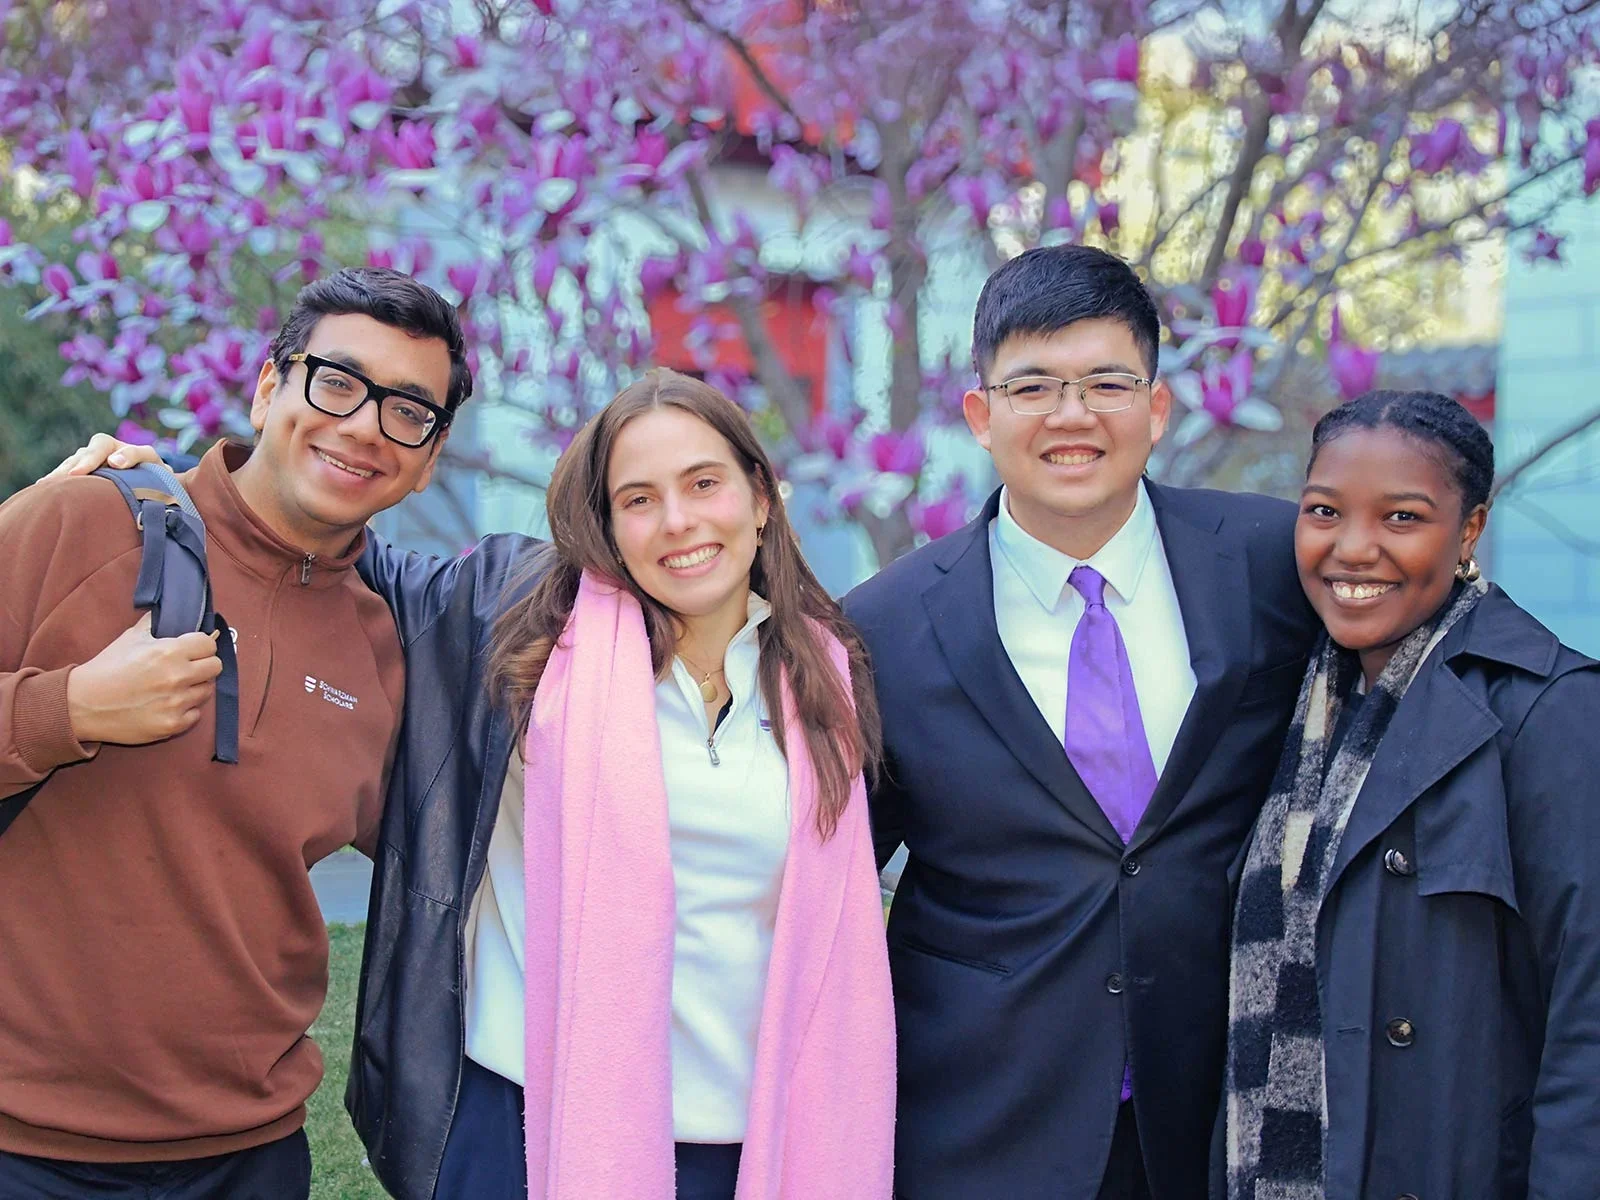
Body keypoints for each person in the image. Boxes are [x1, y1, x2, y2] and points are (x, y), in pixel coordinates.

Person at [94, 369, 896, 1197]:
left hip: (762, 1141)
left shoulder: (829, 678)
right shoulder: (519, 629)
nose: (680, 521)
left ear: (761, 497)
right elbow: (311, 543)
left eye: (703, 484)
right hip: (523, 1124)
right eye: (640, 499)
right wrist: (164, 486)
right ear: (609, 527)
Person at [843, 244, 1320, 1200]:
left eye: (1107, 382)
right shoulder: (882, 628)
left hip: (1229, 1110)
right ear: (981, 415)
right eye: (1034, 387)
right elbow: (840, 880)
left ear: (1156, 405)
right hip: (984, 1121)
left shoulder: (1274, 565)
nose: (1072, 416)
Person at [1, 267, 469, 1198]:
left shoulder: (389, 647)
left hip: (247, 1154)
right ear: (269, 386)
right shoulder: (84, 520)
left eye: (407, 412)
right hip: (20, 1143)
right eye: (336, 382)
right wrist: (70, 710)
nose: (364, 426)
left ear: (429, 455)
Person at [1221, 389, 1600, 1200]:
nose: (1353, 550)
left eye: (1401, 518)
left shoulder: (1548, 708)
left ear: (1469, 530)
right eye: (1325, 511)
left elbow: (1588, 1014)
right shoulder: (1287, 703)